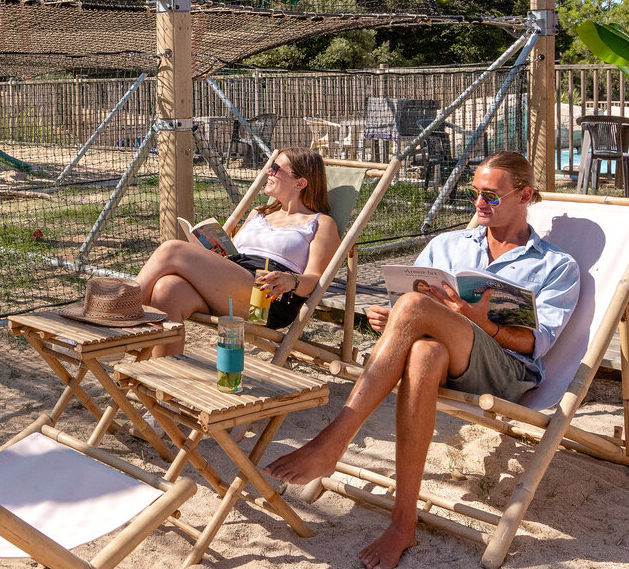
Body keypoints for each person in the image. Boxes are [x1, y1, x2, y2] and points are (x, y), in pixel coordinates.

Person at [266, 151, 580, 569]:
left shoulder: (556, 266)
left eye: (491, 196)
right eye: (474, 195)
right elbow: (408, 313)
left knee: (414, 307)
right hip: (443, 359)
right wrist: (388, 319)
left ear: (525, 196)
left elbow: (534, 344)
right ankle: (403, 522)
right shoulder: (447, 245)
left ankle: (333, 440)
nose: (479, 204)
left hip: (507, 371)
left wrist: (473, 319)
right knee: (423, 350)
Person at [136, 147, 340, 357]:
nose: (268, 172)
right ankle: (168, 376)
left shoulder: (320, 223)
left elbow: (316, 280)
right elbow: (233, 255)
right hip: (234, 282)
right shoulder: (258, 213)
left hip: (268, 297)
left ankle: (121, 317)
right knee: (167, 289)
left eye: (276, 168)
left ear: (300, 183)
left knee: (172, 249)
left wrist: (292, 280)